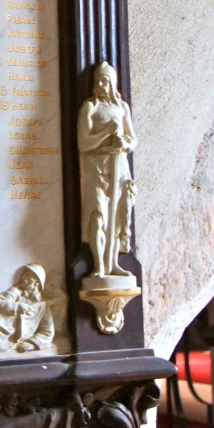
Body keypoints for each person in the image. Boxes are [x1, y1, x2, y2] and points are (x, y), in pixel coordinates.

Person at [78, 61, 137, 278]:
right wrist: (105, 135)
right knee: (98, 217)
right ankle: (99, 267)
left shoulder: (122, 108)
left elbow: (132, 140)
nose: (100, 84)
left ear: (112, 83)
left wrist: (124, 143)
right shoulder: (90, 107)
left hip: (118, 167)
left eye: (105, 81)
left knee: (116, 218)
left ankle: (113, 264)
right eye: (98, 81)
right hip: (96, 167)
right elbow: (83, 143)